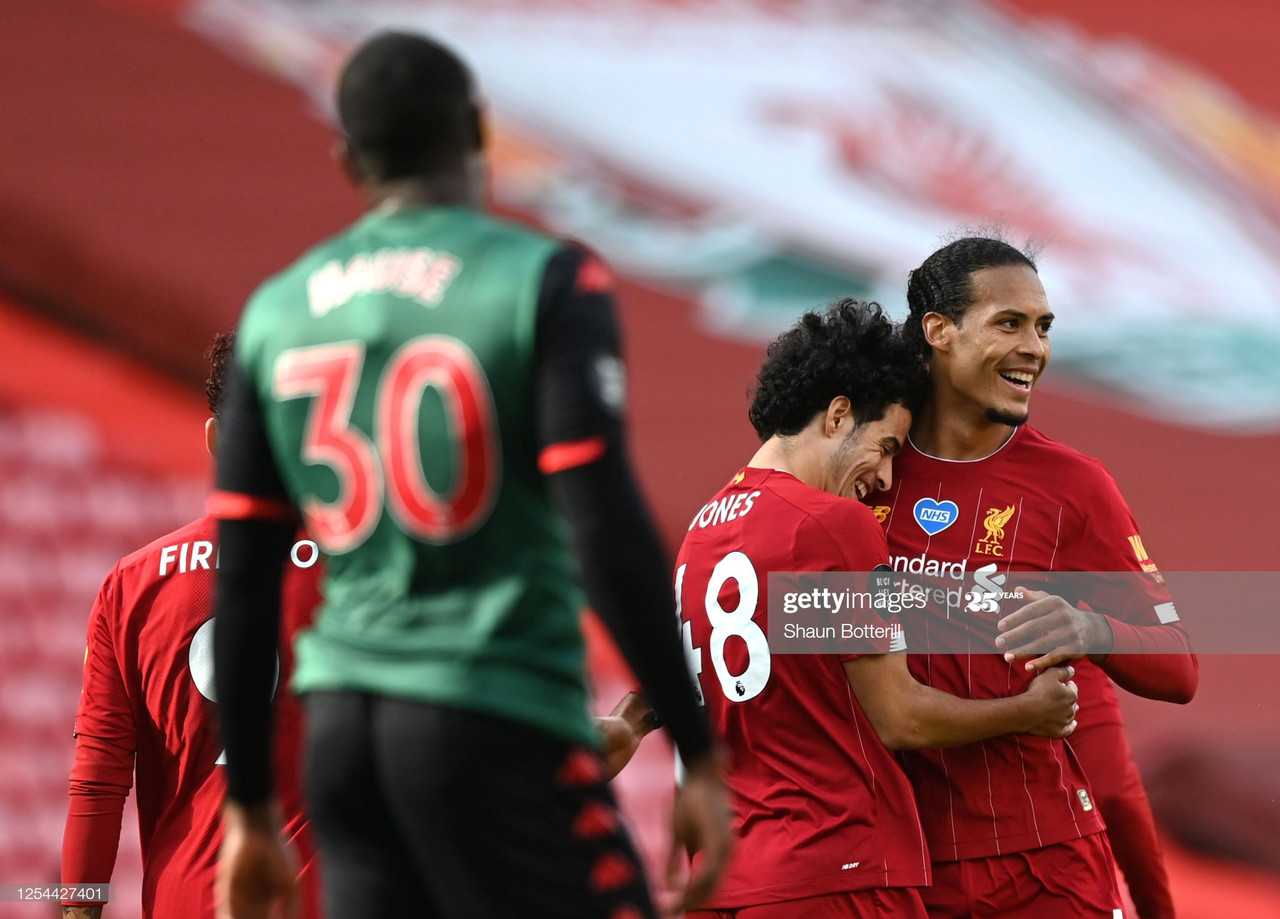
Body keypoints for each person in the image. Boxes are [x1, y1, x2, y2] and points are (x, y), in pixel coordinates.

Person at [209, 31, 729, 919]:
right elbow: (601, 522)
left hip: (343, 738)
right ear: (480, 130)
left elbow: (246, 578)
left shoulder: (275, 312)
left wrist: (249, 805)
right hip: (493, 713)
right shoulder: (543, 280)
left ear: (347, 156)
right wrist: (697, 748)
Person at [677, 300, 1081, 919]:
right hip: (834, 869)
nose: (888, 478)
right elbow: (901, 718)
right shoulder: (835, 526)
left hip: (725, 878)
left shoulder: (700, 535)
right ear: (839, 414)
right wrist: (1030, 711)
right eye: (886, 445)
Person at [872, 236, 1198, 918]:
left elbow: (1179, 669)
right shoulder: (861, 465)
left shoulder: (1073, 486)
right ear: (938, 331)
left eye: (1044, 327)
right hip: (894, 868)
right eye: (1009, 323)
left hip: (1039, 872)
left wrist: (1093, 628)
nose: (1034, 349)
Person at [60, 332, 323, 919]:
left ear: (215, 439)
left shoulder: (131, 583)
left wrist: (77, 909)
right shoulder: (367, 577)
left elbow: (98, 781)